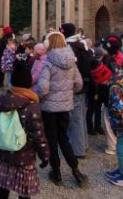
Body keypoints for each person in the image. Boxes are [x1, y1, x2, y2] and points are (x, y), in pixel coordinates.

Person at [0, 55, 49, 199]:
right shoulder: (31, 106)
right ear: (28, 84)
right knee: (24, 189)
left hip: (5, 150)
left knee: (4, 183)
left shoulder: (3, 100)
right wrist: (45, 155)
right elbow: (38, 134)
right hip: (24, 154)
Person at [35, 32, 88, 188]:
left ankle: (56, 172)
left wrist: (40, 99)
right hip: (65, 107)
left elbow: (43, 88)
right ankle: (76, 171)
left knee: (51, 140)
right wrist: (68, 94)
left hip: (49, 109)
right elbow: (78, 83)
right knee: (64, 138)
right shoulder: (71, 61)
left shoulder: (49, 62)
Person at [60, 23, 92, 158]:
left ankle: (78, 150)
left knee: (75, 119)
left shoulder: (71, 47)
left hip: (76, 86)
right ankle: (83, 144)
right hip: (84, 84)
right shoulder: (81, 45)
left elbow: (72, 68)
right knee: (80, 117)